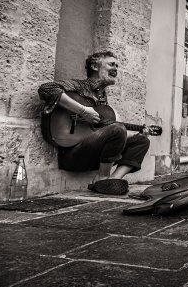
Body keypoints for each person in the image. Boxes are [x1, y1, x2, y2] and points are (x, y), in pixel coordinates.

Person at [38, 51, 151, 195]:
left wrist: (135, 133)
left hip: (95, 156)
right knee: (117, 129)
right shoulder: (78, 86)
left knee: (142, 141)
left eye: (117, 65)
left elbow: (106, 134)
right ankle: (102, 178)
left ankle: (112, 180)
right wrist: (83, 111)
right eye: (111, 64)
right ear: (94, 66)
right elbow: (46, 89)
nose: (116, 68)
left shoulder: (102, 97)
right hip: (73, 155)